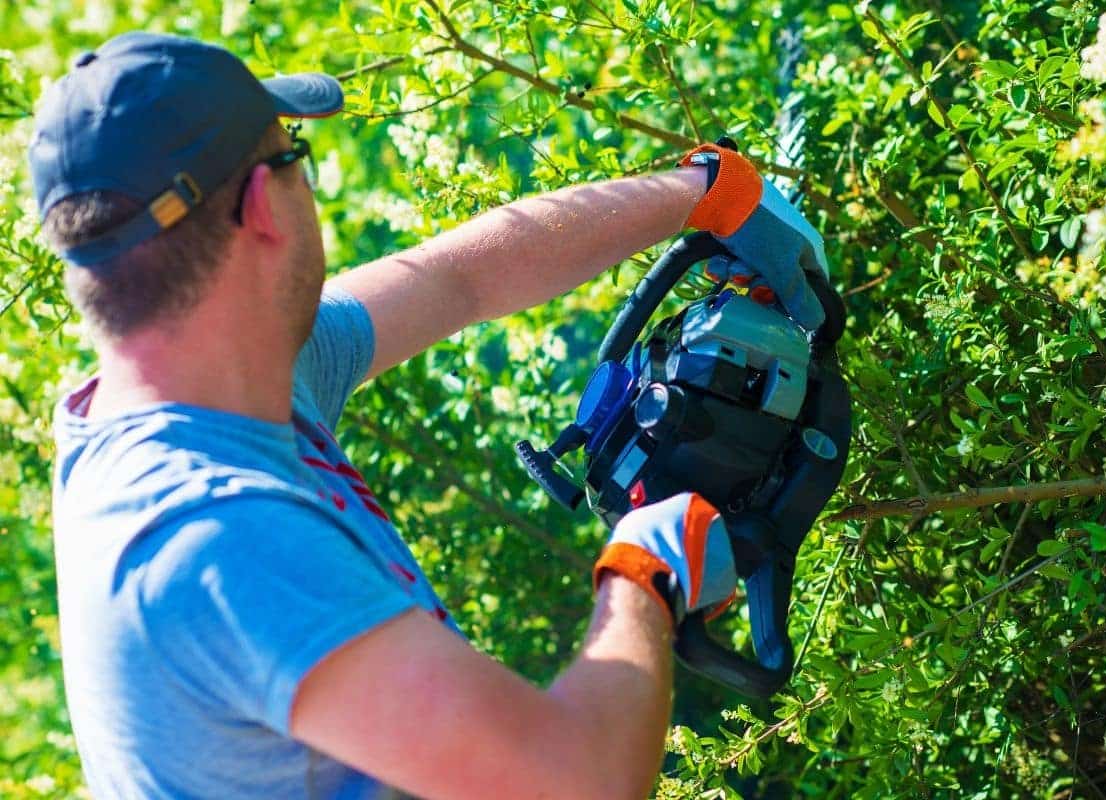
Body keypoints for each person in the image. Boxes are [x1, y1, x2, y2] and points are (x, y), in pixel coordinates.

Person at [31, 31, 830, 800]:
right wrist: (644, 574)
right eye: (293, 155)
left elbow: (461, 278)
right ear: (262, 206)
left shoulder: (222, 375)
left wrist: (706, 196)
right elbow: (575, 779)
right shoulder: (213, 536)